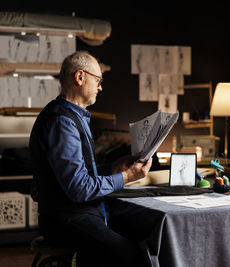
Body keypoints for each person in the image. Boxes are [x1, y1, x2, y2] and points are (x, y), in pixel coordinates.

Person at [29, 50, 152, 267]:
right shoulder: (62, 123)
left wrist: (113, 168)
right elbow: (78, 188)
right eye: (98, 80)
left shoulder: (72, 117)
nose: (101, 87)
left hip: (77, 214)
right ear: (80, 77)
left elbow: (79, 175)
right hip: (65, 220)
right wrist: (126, 177)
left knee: (141, 236)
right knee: (134, 256)